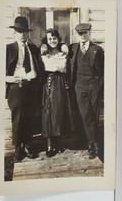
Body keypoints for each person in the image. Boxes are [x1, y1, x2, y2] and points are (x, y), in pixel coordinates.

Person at [6, 16, 42, 162]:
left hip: (32, 87)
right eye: (19, 31)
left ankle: (28, 146)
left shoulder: (33, 48)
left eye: (24, 32)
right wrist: (9, 79)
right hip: (17, 87)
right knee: (18, 119)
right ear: (15, 32)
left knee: (30, 118)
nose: (22, 35)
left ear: (28, 33)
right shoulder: (8, 49)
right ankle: (17, 149)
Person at [69, 23, 104, 159]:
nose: (83, 36)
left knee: (94, 114)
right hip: (79, 85)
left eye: (85, 33)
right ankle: (92, 144)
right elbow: (58, 48)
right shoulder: (72, 48)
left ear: (89, 33)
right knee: (85, 114)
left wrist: (100, 85)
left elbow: (102, 71)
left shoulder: (97, 49)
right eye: (80, 33)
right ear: (77, 34)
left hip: (94, 85)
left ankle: (93, 144)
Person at [41, 28, 75, 157]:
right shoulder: (43, 51)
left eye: (54, 38)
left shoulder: (63, 50)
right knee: (49, 112)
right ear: (46, 40)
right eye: (50, 38)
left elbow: (70, 53)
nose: (52, 41)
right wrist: (44, 45)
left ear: (58, 39)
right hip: (49, 82)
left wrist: (64, 45)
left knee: (60, 111)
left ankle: (58, 141)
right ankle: (50, 144)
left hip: (61, 82)